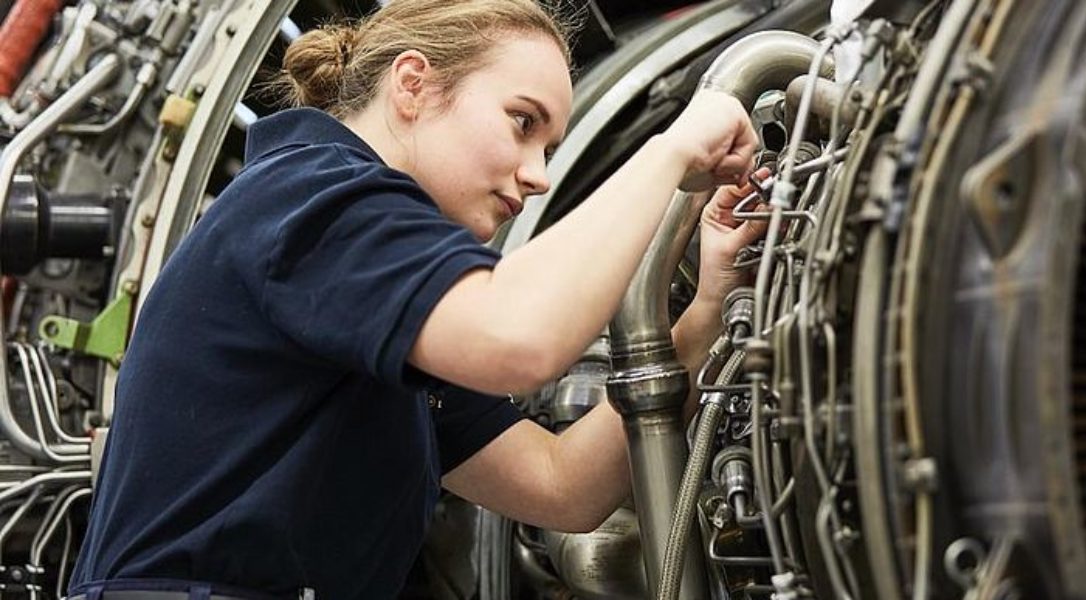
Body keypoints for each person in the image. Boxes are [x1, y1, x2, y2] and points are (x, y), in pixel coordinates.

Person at [67, 1, 761, 598]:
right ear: (412, 86)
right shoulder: (315, 199)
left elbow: (562, 487)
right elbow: (518, 338)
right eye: (523, 123)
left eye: (549, 144)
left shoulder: (378, 290)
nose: (538, 175)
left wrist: (702, 317)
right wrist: (671, 150)